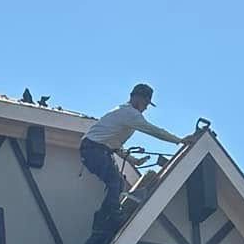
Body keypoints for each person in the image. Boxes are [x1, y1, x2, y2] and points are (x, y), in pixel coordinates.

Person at [80, 85, 188, 218]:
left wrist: (133, 160)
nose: (146, 108)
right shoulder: (131, 114)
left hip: (93, 149)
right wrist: (180, 140)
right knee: (116, 182)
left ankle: (108, 213)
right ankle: (108, 214)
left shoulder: (123, 113)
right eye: (145, 103)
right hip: (94, 150)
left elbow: (112, 144)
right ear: (137, 98)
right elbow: (154, 131)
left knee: (116, 181)